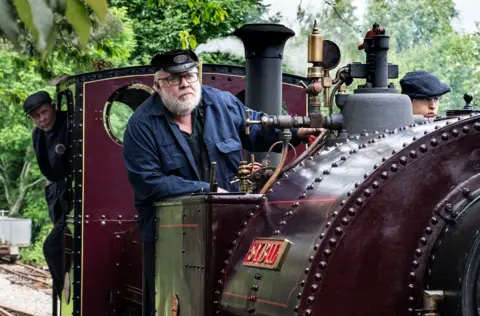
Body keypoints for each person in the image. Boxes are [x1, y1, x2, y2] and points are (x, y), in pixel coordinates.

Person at [122, 48, 322, 315]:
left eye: (190, 76)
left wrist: (298, 131)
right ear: (157, 85)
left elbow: (259, 129)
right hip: (167, 238)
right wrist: (209, 192)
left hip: (227, 228)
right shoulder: (141, 126)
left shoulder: (222, 104)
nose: (185, 84)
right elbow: (150, 183)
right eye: (174, 79)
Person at [24, 90, 69, 301]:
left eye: (44, 112)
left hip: (79, 191)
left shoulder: (71, 122)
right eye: (36, 117)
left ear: (53, 106)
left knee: (51, 247)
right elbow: (47, 170)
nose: (42, 120)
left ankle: (66, 299)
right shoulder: (38, 135)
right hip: (58, 194)